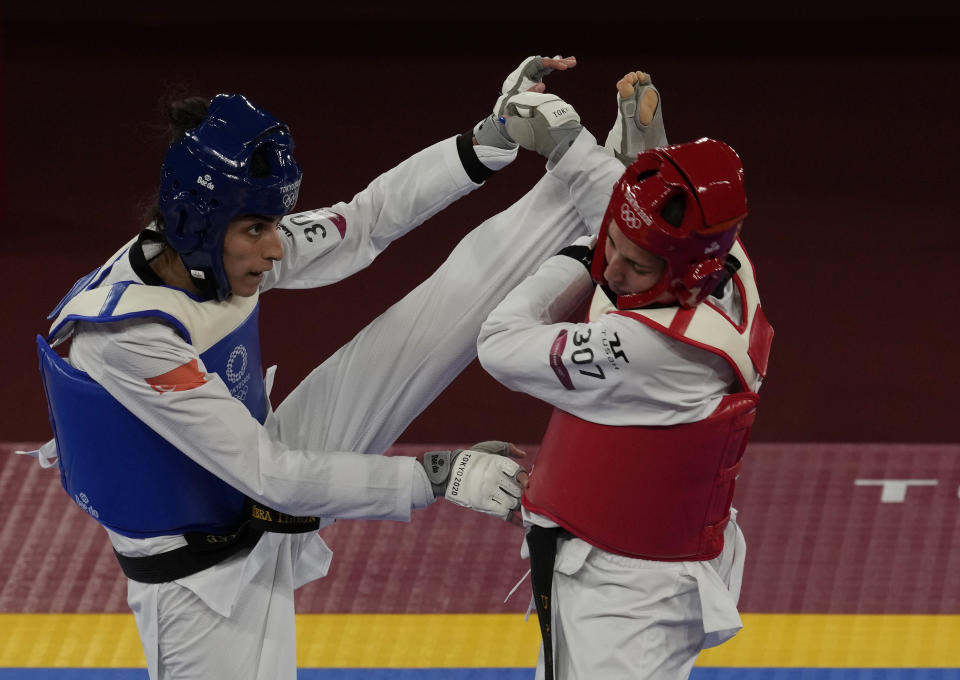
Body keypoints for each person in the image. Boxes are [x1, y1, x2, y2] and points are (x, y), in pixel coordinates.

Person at [29, 56, 590, 680]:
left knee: (423, 326)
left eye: (275, 222)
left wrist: (486, 142)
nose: (277, 246)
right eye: (258, 228)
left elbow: (364, 222)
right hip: (201, 581)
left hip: (257, 473)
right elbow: (271, 477)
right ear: (196, 223)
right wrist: (438, 476)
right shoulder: (129, 335)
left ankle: (587, 185)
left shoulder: (210, 250)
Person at [477, 77, 774, 679]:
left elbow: (499, 344)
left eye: (633, 263)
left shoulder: (655, 347)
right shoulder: (728, 261)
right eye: (611, 244)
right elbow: (642, 236)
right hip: (608, 567)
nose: (611, 268)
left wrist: (581, 244)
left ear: (688, 270)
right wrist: (617, 171)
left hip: (629, 600)